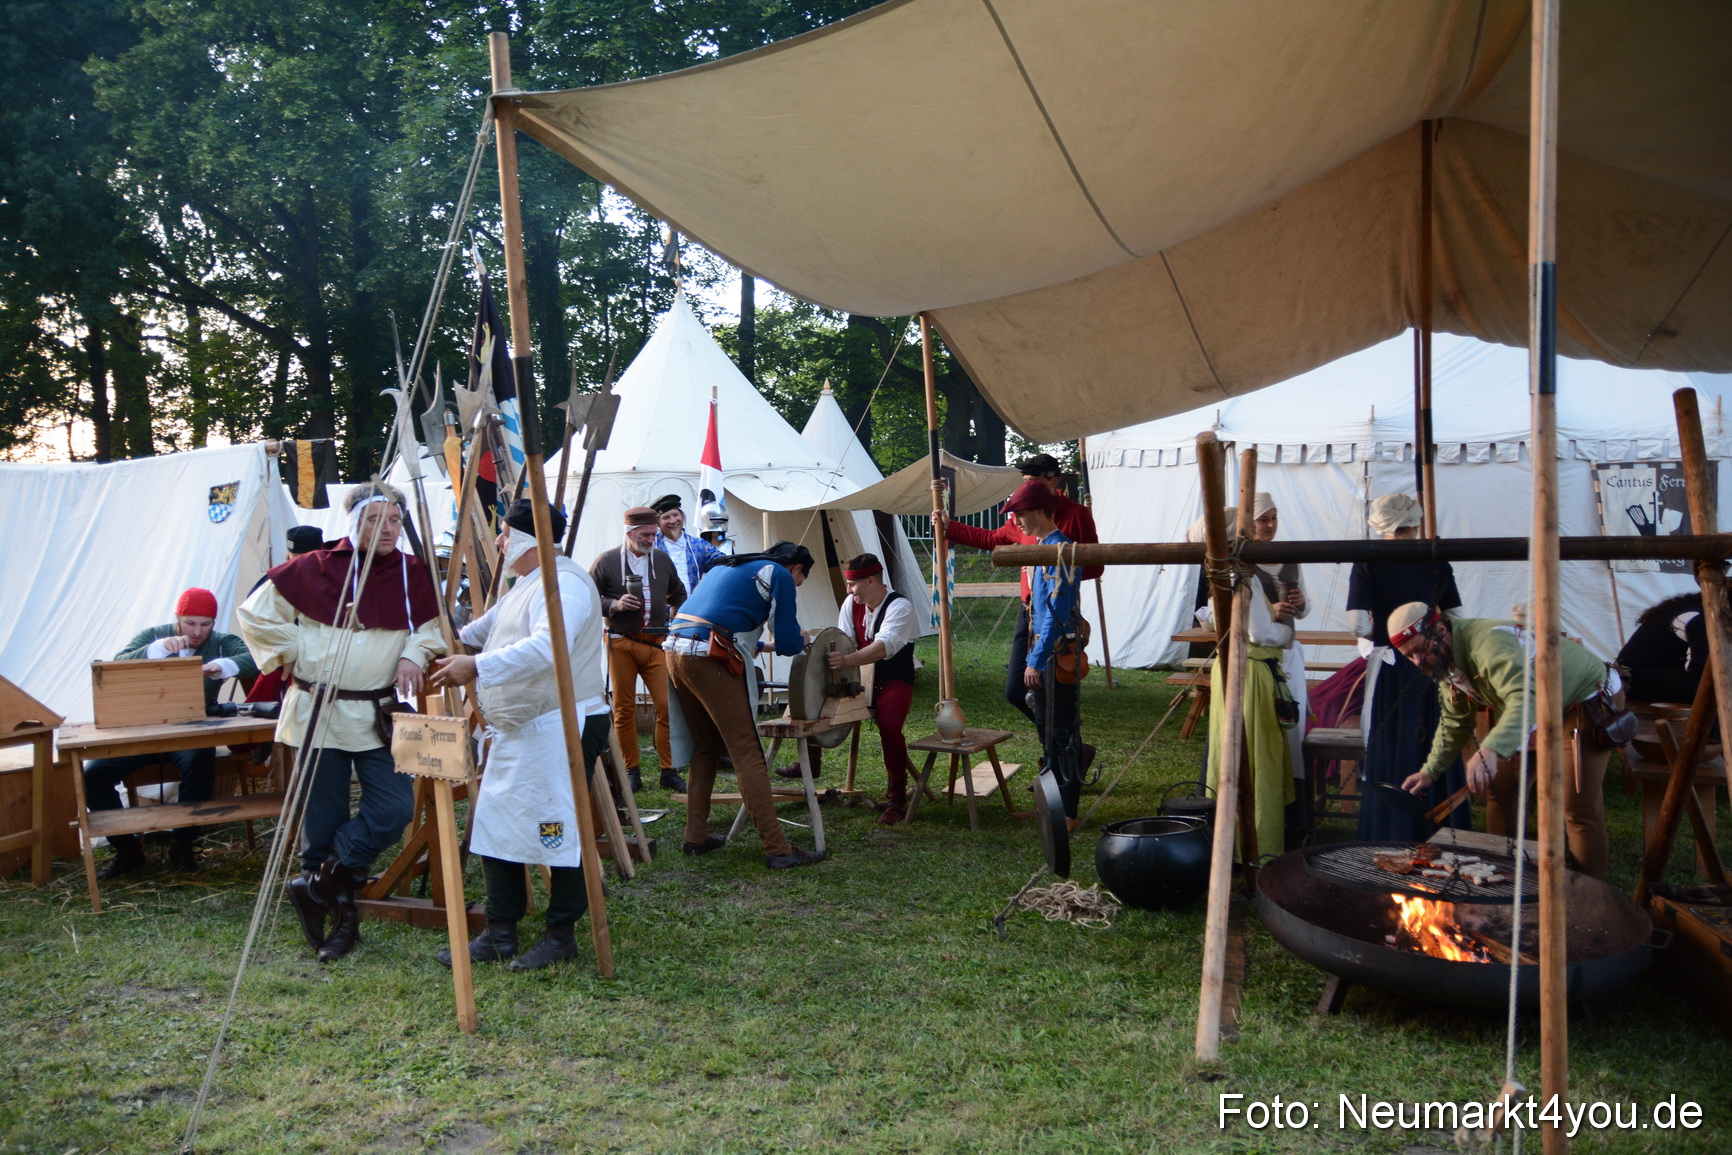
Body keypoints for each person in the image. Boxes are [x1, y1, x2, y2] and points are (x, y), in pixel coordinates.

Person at [238, 481, 447, 962]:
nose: (388, 529)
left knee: (393, 809)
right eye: (376, 520)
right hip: (317, 711)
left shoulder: (413, 574)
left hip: (376, 713)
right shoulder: (313, 569)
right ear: (353, 523)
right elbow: (253, 616)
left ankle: (315, 886)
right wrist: (295, 651)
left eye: (394, 520)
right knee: (323, 817)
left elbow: (434, 631)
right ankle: (340, 917)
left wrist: (413, 654)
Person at [429, 499, 609, 971]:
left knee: (558, 826)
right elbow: (476, 631)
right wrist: (439, 639)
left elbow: (550, 648)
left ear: (530, 538)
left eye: (506, 532)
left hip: (562, 722)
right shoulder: (527, 585)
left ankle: (561, 933)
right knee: (494, 825)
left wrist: (476, 665)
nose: (502, 541)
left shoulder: (564, 583)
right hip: (521, 727)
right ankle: (500, 931)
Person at [1390, 602, 1619, 880]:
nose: (1417, 661)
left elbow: (1526, 698)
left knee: (1576, 809)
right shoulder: (1443, 659)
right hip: (1533, 706)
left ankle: (1591, 894)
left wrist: (1491, 747)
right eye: (1408, 655)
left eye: (1419, 649)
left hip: (1582, 702)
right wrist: (1430, 771)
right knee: (1500, 793)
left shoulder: (1488, 643)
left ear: (1439, 629)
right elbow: (1455, 721)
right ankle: (1503, 878)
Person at [663, 541, 823, 868]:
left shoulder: (730, 566)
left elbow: (719, 615)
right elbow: (792, 643)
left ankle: (695, 836)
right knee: (747, 751)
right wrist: (803, 639)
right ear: (795, 569)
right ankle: (777, 849)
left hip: (675, 651)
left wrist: (763, 645)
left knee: (706, 747)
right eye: (799, 581)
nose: (795, 586)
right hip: (707, 657)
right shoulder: (778, 573)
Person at [82, 588, 260, 878]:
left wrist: (222, 665)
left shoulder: (221, 642)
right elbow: (115, 664)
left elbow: (255, 659)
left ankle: (183, 844)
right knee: (94, 775)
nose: (197, 631)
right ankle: (127, 851)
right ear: (177, 618)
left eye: (205, 624)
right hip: (145, 732)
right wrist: (158, 650)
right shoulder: (154, 635)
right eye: (190, 623)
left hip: (191, 732)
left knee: (199, 761)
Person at [942, 454, 1100, 759]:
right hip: (1028, 610)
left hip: (1058, 609)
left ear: (1053, 483)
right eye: (1025, 484)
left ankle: (1060, 758)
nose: (1028, 490)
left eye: (1036, 484)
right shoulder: (1021, 515)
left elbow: (1093, 566)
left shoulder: (1074, 516)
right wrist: (950, 528)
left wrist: (1059, 571)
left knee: (1056, 695)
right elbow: (992, 539)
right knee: (1018, 691)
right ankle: (1066, 752)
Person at [1345, 494, 1470, 840]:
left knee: (1392, 746)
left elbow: (1356, 624)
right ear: (1416, 521)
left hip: (1392, 667)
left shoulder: (1369, 559)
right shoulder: (1435, 557)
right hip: (1435, 664)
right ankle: (1445, 831)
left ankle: (1390, 832)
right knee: (1439, 737)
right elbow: (1458, 618)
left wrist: (1383, 636)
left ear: (1379, 523)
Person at [1204, 493, 1303, 859]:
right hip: (1252, 675)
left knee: (1233, 756)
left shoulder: (1227, 572)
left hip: (1235, 668)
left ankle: (1232, 846)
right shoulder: (1238, 575)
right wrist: (1288, 635)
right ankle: (1259, 849)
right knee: (1256, 759)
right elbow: (1261, 632)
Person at [1002, 480, 1086, 830]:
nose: (1017, 521)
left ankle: (1066, 811)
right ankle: (1055, 797)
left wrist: (1035, 659)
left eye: (1020, 514)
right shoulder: (1042, 546)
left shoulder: (1060, 549)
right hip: (1044, 642)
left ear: (1039, 511)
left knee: (1061, 727)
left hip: (1056, 648)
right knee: (1045, 722)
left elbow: (1056, 608)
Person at [811, 553, 920, 823]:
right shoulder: (852, 603)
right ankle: (809, 763)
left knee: (890, 725)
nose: (849, 591)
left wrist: (846, 660)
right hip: (860, 681)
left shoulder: (900, 607)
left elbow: (884, 647)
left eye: (853, 585)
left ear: (871, 581)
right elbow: (844, 638)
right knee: (812, 699)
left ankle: (895, 798)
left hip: (894, 680)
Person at [590, 506, 688, 792]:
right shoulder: (606, 561)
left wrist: (675, 618)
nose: (650, 540)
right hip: (621, 642)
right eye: (645, 534)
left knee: (666, 707)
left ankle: (668, 770)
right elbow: (587, 596)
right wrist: (613, 605)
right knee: (623, 709)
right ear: (629, 533)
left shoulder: (660, 559)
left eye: (653, 534)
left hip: (656, 644)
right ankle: (631, 771)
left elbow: (679, 595)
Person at [1618, 593, 1706, 704]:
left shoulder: (1698, 610)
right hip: (1632, 679)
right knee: (1711, 690)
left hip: (1653, 674)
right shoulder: (1699, 617)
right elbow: (1701, 671)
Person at [651, 492, 727, 595]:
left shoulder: (698, 545)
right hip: (660, 610)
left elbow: (724, 564)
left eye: (675, 515)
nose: (673, 521)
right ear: (658, 523)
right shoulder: (650, 546)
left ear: (682, 516)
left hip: (690, 608)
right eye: (666, 517)